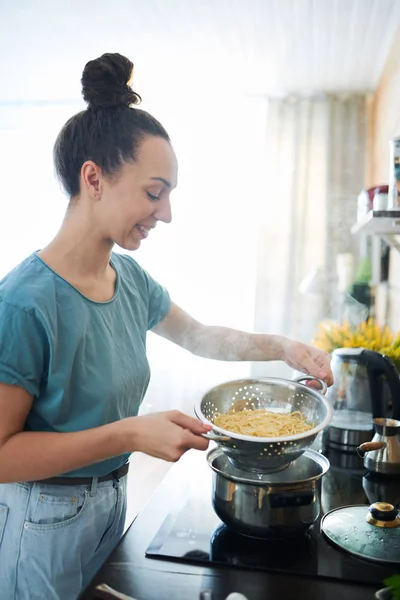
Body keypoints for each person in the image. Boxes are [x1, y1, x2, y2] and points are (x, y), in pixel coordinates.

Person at [0, 53, 333, 600]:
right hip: (42, 519)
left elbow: (200, 336)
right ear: (94, 179)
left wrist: (283, 346)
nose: (168, 213)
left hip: (110, 498)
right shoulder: (23, 303)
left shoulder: (126, 276)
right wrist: (133, 432)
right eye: (155, 192)